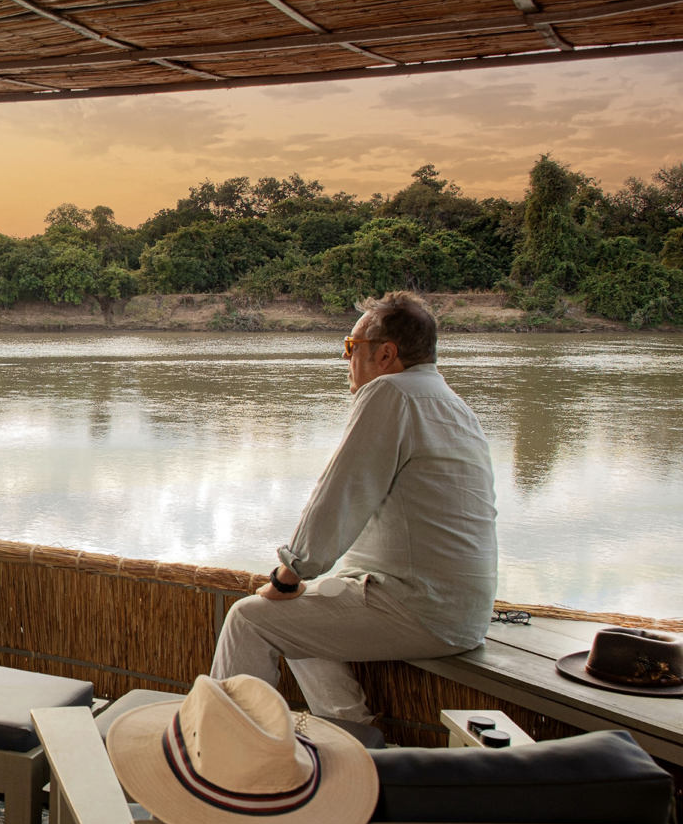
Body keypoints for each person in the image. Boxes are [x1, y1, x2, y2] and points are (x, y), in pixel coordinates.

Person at [210, 291, 497, 724]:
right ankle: (353, 733)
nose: (345, 359)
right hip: (459, 610)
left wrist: (289, 577)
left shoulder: (390, 393)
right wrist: (302, 584)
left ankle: (224, 748)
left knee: (252, 617)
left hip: (418, 606)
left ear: (385, 354)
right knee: (298, 614)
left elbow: (340, 493)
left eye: (350, 347)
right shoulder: (453, 405)